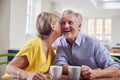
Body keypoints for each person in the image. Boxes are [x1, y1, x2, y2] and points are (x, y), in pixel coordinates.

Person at [55, 10, 120, 79]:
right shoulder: (60, 42)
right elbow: (60, 65)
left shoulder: (93, 43)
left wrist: (95, 73)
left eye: (70, 22)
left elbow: (116, 70)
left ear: (79, 26)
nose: (66, 26)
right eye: (63, 23)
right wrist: (82, 71)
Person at [4, 12, 61, 80]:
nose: (63, 26)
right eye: (60, 23)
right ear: (53, 26)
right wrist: (27, 75)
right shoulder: (33, 45)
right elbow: (9, 68)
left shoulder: (50, 49)